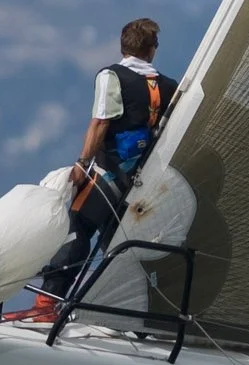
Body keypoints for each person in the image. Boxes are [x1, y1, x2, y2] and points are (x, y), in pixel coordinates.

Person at [27, 19, 178, 316]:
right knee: (117, 244)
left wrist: (82, 163)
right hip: (142, 181)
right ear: (152, 50)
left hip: (107, 175)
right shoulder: (169, 86)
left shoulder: (112, 76)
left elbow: (100, 122)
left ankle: (45, 306)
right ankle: (120, 313)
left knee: (78, 229)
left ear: (123, 46)